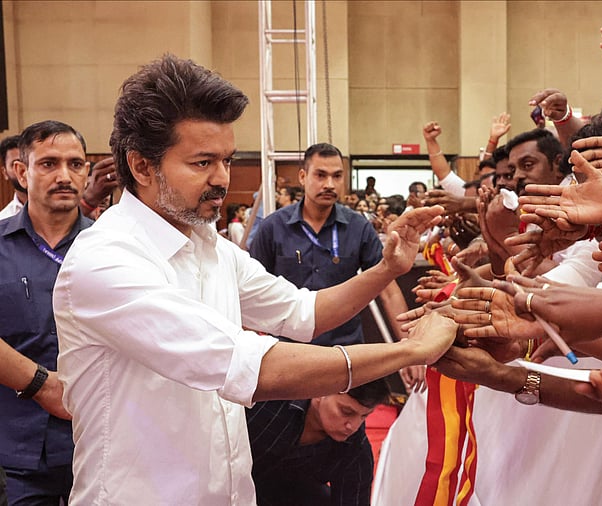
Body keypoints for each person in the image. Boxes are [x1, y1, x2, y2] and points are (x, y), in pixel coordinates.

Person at [52, 54, 455, 504]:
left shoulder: (210, 245)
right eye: (202, 163)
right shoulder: (106, 260)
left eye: (226, 160)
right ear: (142, 166)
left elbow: (303, 312)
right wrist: (410, 351)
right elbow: (253, 367)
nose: (222, 179)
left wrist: (386, 270)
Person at [250, 142, 425, 390]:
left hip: (345, 355)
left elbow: (387, 289)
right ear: (303, 176)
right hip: (287, 355)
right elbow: (252, 292)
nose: (329, 184)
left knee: (348, 415)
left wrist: (408, 348)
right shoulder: (273, 228)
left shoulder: (358, 228)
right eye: (320, 175)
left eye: (337, 176)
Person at [1, 120, 92, 504]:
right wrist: (40, 383)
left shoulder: (113, 250)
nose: (64, 176)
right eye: (49, 164)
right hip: (16, 451)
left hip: (99, 444)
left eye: (76, 164)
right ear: (21, 172)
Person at [247, 379, 391, 506]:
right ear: (319, 392)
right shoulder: (268, 399)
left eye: (364, 416)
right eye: (346, 412)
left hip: (286, 497)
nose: (353, 426)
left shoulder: (356, 448)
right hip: (238, 479)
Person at [0, 134, 23, 220]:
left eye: (27, 162)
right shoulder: (3, 220)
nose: (23, 170)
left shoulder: (60, 208)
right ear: (5, 173)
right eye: (15, 165)